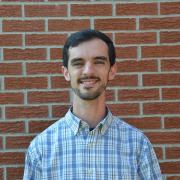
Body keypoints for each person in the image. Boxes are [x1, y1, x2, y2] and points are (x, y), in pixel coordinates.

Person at [23, 29, 162, 179]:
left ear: (112, 70)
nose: (88, 71)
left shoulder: (137, 145)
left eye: (98, 62)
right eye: (78, 63)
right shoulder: (41, 148)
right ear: (66, 73)